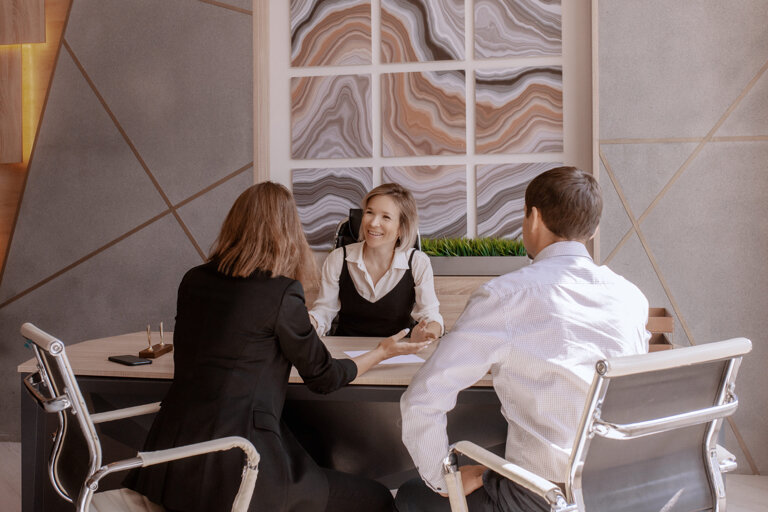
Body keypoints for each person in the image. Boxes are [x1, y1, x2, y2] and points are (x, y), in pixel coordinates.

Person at [125, 182, 432, 512]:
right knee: (378, 498)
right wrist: (382, 352)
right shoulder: (280, 292)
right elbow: (324, 377)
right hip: (240, 467)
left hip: (169, 466)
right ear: (287, 230)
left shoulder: (193, 279)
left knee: (311, 455)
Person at [396, 167, 650, 512]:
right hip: (622, 489)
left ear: (534, 218)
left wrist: (444, 479)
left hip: (541, 497)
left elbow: (423, 399)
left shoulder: (506, 296)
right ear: (593, 230)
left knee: (411, 495)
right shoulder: (631, 297)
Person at [309, 183, 443, 342]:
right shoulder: (338, 258)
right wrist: (308, 322)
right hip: (345, 351)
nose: (373, 223)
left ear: (401, 228)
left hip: (397, 350)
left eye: (386, 217)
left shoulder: (418, 262)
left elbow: (430, 315)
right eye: (369, 212)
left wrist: (428, 331)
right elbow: (324, 311)